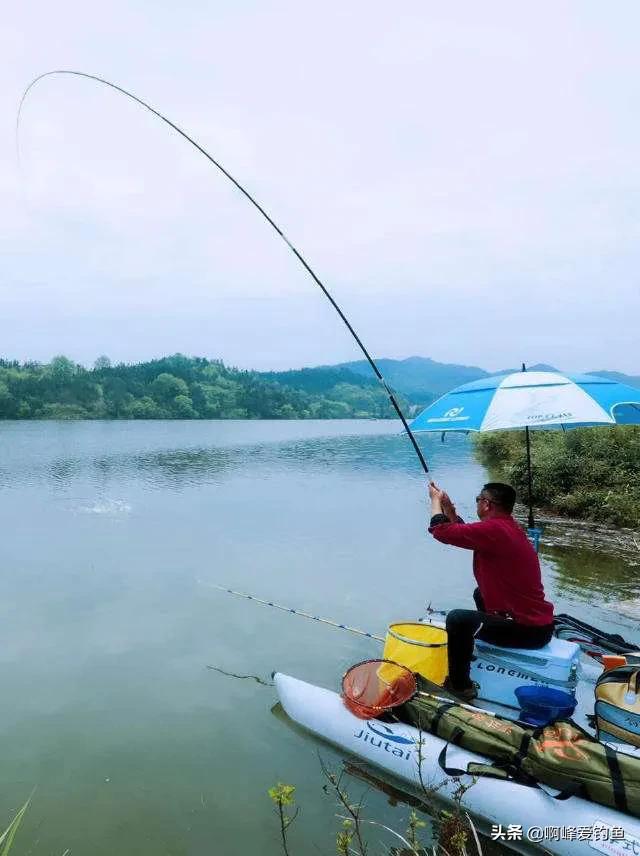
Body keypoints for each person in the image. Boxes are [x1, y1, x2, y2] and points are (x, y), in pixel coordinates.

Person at [428, 480, 554, 701]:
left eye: (478, 499)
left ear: (486, 504)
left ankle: (460, 687)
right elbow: (462, 531)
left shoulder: (495, 530)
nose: (477, 503)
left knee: (457, 619)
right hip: (537, 625)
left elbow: (441, 531)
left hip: (527, 631)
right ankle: (485, 635)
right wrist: (449, 509)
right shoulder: (506, 528)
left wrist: (435, 501)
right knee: (480, 593)